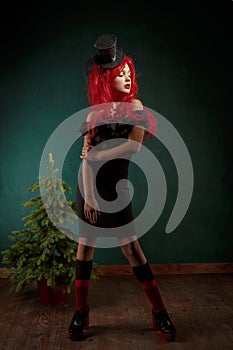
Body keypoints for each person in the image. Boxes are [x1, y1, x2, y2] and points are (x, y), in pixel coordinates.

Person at [67, 34, 176, 342]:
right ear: (105, 80)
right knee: (84, 248)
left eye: (129, 72)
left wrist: (99, 152)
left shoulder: (137, 108)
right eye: (120, 74)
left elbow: (133, 149)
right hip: (88, 188)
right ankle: (81, 312)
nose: (128, 78)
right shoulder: (92, 116)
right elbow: (85, 162)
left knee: (131, 249)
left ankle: (160, 312)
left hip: (117, 190)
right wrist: (88, 194)